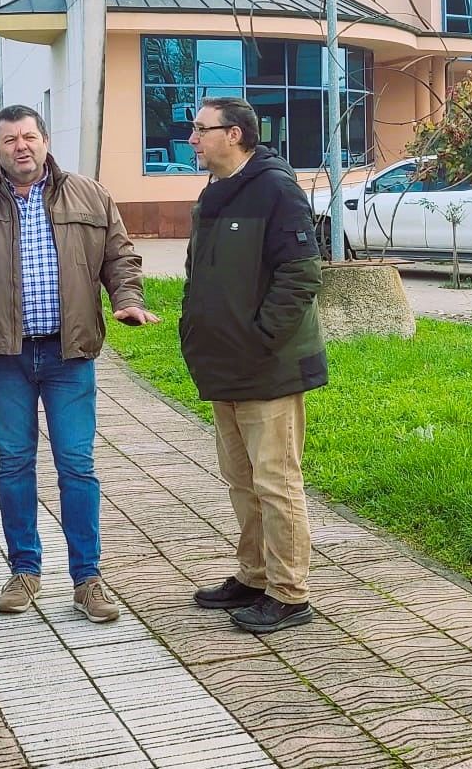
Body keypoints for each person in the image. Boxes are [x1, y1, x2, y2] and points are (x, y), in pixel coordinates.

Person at [0, 105, 157, 623]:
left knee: (77, 464)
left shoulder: (91, 195)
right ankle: (24, 569)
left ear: (45, 140)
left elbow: (120, 257)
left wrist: (126, 299)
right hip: (3, 355)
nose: (21, 147)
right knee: (15, 464)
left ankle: (87, 579)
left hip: (69, 354)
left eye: (29, 137)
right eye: (9, 140)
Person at [180, 97, 326, 634]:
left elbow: (302, 274)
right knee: (240, 478)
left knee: (275, 479)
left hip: (268, 365)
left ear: (235, 134)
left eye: (201, 129)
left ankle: (290, 594)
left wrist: (262, 336)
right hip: (223, 363)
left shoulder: (275, 189)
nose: (192, 138)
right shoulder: (213, 194)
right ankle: (254, 574)